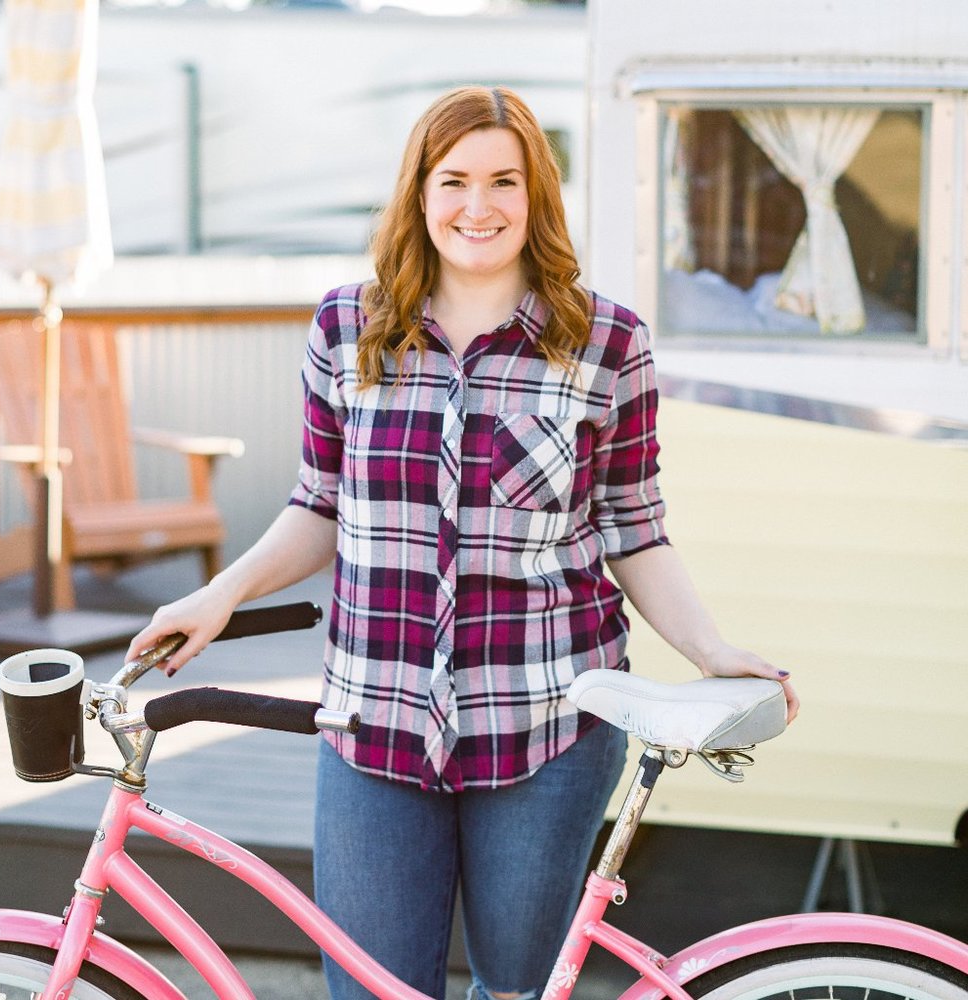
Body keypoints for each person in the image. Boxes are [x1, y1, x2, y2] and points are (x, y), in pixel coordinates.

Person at [126, 85, 799, 1000]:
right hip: (375, 722)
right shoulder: (346, 331)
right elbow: (318, 504)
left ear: (536, 196)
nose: (477, 207)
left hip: (547, 727)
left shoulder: (607, 345)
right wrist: (220, 595)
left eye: (503, 181)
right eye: (453, 180)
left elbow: (633, 528)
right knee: (369, 990)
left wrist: (713, 651)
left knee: (516, 989)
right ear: (419, 193)